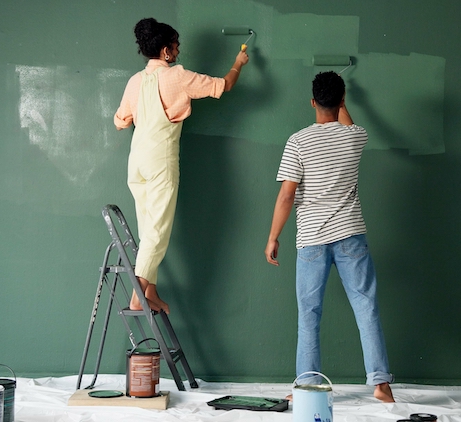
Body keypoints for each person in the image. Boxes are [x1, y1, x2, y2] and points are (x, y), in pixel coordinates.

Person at [264, 71, 395, 402]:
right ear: (340, 101)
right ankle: (381, 385)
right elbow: (347, 125)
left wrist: (272, 237)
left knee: (309, 316)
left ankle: (308, 388)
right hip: (351, 235)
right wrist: (343, 103)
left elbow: (286, 196)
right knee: (367, 308)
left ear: (312, 102)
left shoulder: (298, 141)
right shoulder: (355, 136)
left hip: (311, 240)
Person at [115, 18, 249, 314]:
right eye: (175, 47)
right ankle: (138, 294)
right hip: (161, 161)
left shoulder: (135, 81)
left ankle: (150, 292)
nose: (178, 52)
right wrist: (238, 62)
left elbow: (120, 121)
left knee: (149, 228)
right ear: (165, 51)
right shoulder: (177, 76)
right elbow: (224, 85)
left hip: (136, 162)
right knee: (157, 232)